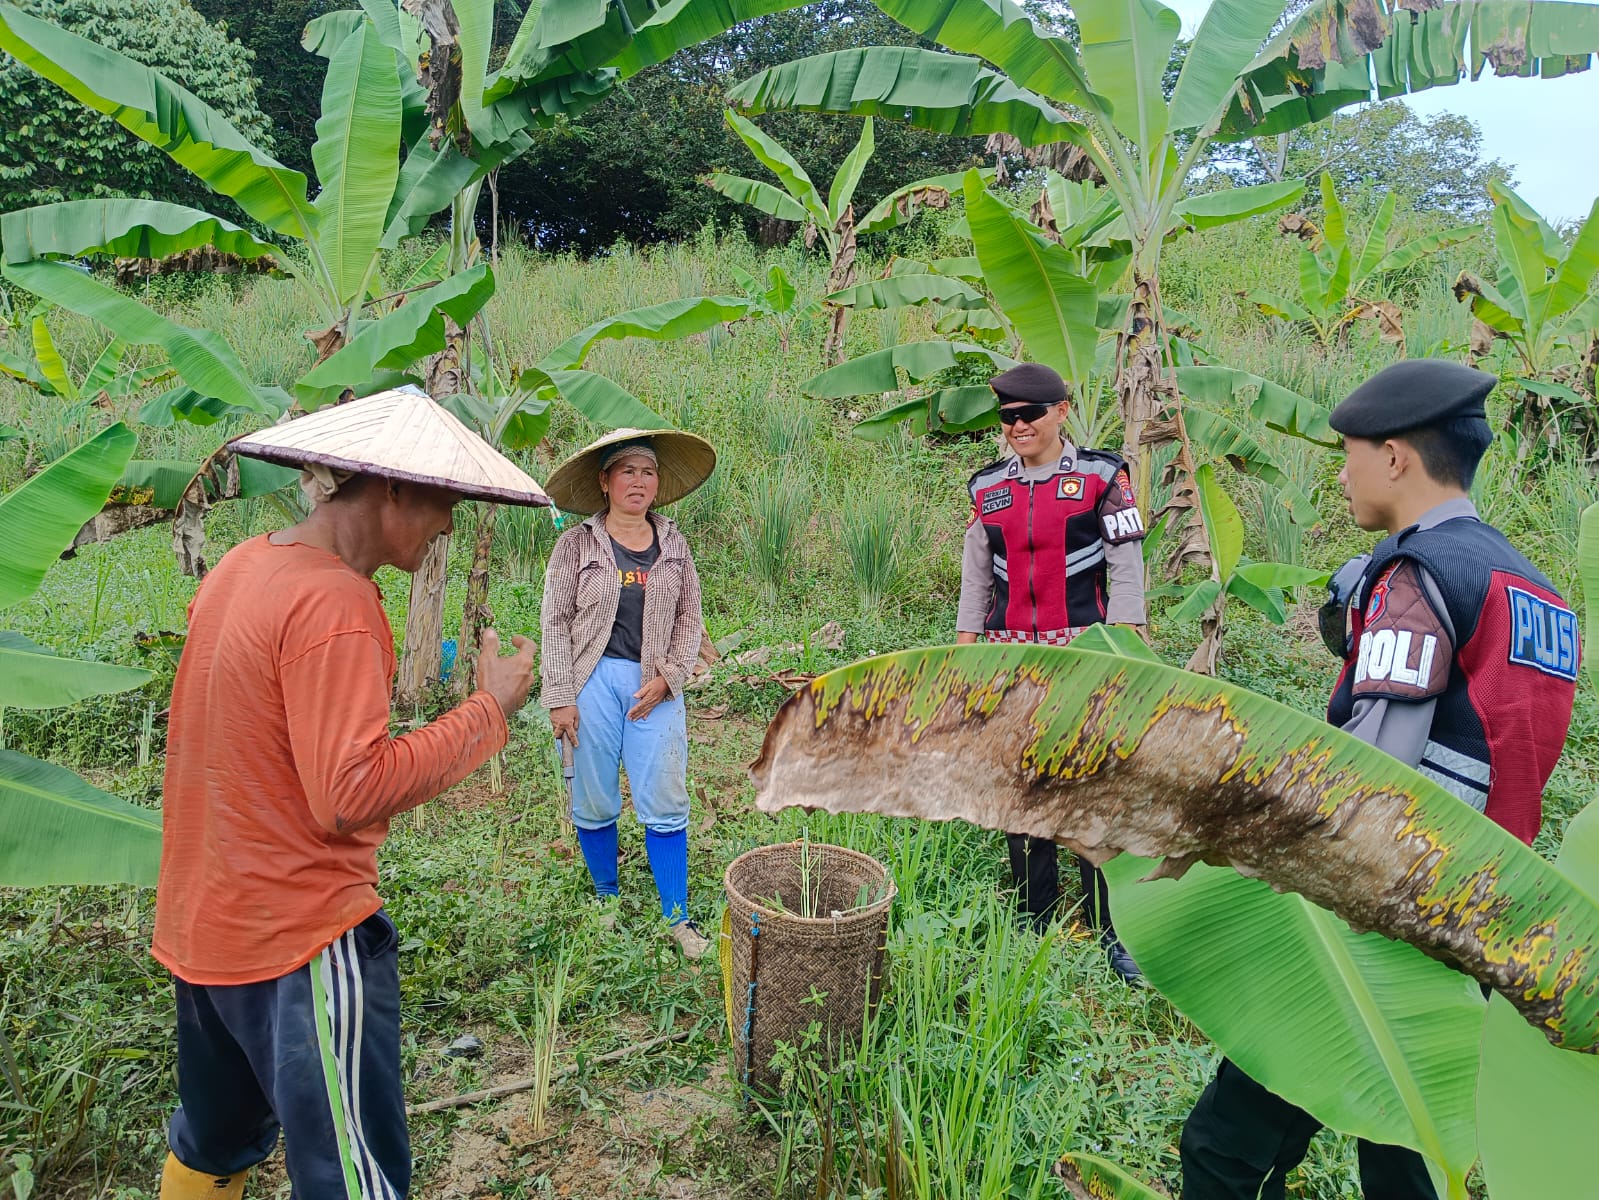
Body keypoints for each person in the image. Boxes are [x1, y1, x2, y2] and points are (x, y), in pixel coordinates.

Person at [1180, 359, 1580, 1199]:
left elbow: (1373, 776)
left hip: (1389, 917)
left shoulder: (1414, 572)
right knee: (1408, 1156)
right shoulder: (1536, 589)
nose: (1341, 470)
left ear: (1395, 456)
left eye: (1350, 451)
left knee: (1225, 1149)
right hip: (1484, 912)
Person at [152, 387, 545, 1200]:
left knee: (213, 1147)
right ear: (392, 488)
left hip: (205, 930)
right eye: (445, 499)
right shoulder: (335, 601)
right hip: (296, 941)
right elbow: (348, 793)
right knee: (353, 1181)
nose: (449, 523)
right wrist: (489, 710)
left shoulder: (242, 565)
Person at [955, 362, 1148, 983]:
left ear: (1061, 412)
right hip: (1013, 656)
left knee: (1093, 789)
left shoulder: (1103, 476)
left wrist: (1123, 640)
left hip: (1086, 651)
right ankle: (1033, 921)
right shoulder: (987, 488)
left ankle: (1110, 931)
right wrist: (967, 650)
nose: (1017, 427)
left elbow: (1125, 562)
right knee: (1024, 789)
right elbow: (978, 576)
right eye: (1007, 417)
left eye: (1029, 415)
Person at [540, 428, 716, 960]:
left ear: (657, 485)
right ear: (605, 482)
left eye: (648, 472)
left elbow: (690, 622)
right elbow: (555, 621)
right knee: (592, 794)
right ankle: (606, 901)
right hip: (592, 679)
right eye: (627, 472)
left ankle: (677, 917)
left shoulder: (676, 546)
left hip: (654, 684)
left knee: (665, 794)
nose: (639, 482)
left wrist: (670, 679)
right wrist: (560, 695)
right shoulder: (576, 545)